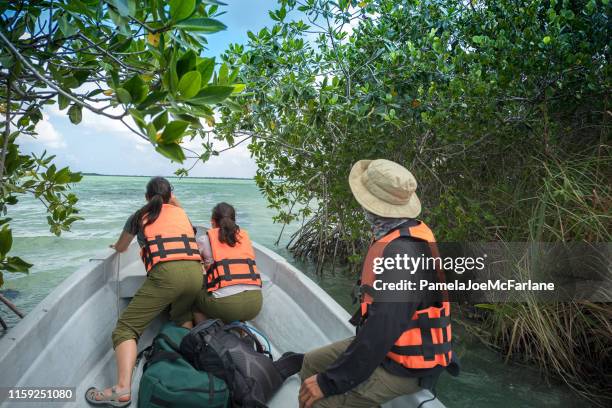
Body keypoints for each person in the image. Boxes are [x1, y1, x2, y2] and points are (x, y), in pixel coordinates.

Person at [298, 159, 459, 408]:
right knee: (310, 361)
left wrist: (329, 382)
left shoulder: (404, 254)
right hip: (389, 349)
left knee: (319, 402)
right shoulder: (397, 231)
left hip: (405, 367)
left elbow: (383, 329)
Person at [86, 177, 203, 407]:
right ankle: (185, 369)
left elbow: (122, 246)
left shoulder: (139, 215)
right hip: (195, 274)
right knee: (182, 317)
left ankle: (121, 390)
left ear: (146, 197)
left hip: (167, 276)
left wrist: (116, 247)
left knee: (125, 329)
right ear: (171, 195)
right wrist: (173, 200)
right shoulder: (182, 214)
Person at [193, 202, 263, 324]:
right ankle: (240, 331)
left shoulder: (204, 240)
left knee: (194, 299)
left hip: (227, 307)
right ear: (234, 220)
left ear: (212, 221)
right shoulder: (244, 238)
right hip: (255, 304)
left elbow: (193, 265)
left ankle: (206, 336)